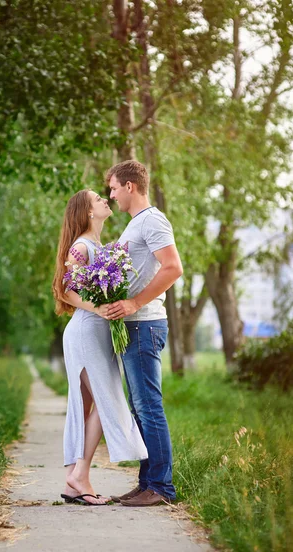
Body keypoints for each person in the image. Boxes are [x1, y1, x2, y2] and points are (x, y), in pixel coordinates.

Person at [52, 189, 148, 506]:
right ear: (87, 211)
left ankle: (73, 481)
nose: (105, 200)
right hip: (86, 331)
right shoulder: (82, 246)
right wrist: (98, 309)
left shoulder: (98, 247)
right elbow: (65, 290)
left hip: (94, 332)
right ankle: (80, 475)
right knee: (106, 401)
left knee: (88, 405)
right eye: (97, 199)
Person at [106, 160, 183, 506]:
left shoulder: (152, 220)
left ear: (130, 186)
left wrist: (135, 302)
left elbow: (173, 267)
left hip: (146, 323)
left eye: (113, 188)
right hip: (134, 326)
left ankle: (162, 488)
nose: (111, 195)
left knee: (149, 407)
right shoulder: (135, 225)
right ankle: (147, 482)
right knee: (140, 409)